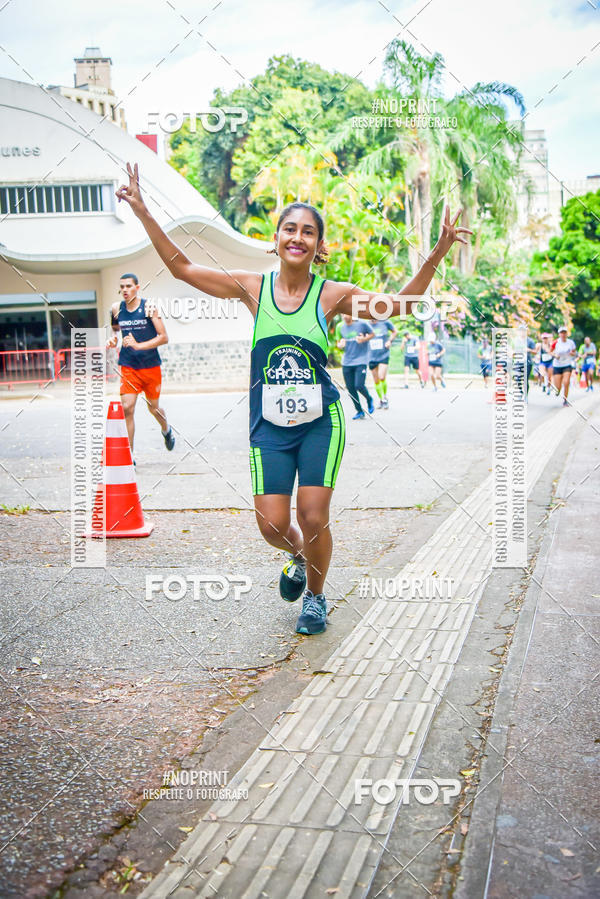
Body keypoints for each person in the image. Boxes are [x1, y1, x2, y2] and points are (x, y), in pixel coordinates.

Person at [116, 162, 470, 636]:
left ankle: (316, 598)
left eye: (308, 231)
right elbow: (182, 268)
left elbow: (399, 305)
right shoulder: (252, 287)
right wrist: (143, 211)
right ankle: (300, 557)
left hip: (321, 421)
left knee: (313, 513)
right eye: (290, 229)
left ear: (319, 246)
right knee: (271, 525)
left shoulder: (332, 295)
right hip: (269, 426)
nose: (297, 237)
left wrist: (438, 252)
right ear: (277, 238)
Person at [107, 273, 175, 455]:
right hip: (128, 366)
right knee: (127, 408)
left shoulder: (148, 307)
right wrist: (113, 340)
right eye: (122, 287)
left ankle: (166, 429)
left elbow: (164, 337)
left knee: (153, 408)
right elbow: (115, 330)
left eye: (128, 286)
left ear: (137, 288)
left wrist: (138, 345)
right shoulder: (116, 308)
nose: (125, 290)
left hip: (150, 366)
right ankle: (130, 456)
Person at [335, 314, 375, 419]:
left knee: (359, 385)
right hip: (347, 361)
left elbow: (372, 334)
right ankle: (359, 411)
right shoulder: (340, 326)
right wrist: (340, 345)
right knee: (350, 388)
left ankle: (369, 399)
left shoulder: (362, 324)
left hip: (361, 359)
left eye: (346, 313)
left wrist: (364, 339)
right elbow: (338, 343)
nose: (344, 316)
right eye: (342, 314)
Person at [368, 317, 398, 408]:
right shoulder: (366, 325)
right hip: (371, 356)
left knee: (381, 376)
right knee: (376, 380)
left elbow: (395, 331)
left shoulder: (385, 322)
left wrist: (389, 341)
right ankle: (381, 400)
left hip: (383, 354)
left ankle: (385, 397)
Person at [552, 325, 577, 406]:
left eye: (564, 333)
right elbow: (550, 351)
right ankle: (558, 390)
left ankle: (565, 400)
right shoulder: (556, 342)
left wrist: (572, 353)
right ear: (559, 334)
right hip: (557, 365)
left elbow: (574, 352)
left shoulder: (571, 343)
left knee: (566, 382)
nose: (563, 334)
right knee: (558, 386)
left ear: (567, 334)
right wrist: (555, 355)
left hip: (567, 364)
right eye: (561, 333)